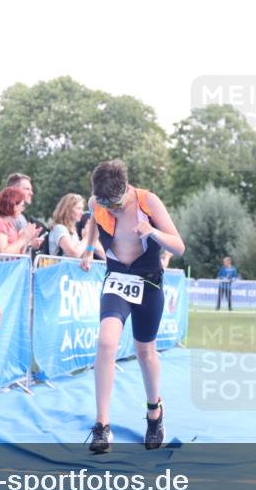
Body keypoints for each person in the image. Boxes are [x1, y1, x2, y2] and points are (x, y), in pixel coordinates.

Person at [78, 159, 184, 454]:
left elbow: (179, 246)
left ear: (125, 189)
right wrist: (88, 248)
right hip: (117, 279)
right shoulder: (96, 203)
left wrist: (152, 232)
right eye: (104, 205)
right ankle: (102, 425)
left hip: (148, 281)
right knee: (106, 341)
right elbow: (93, 223)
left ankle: (154, 412)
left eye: (113, 205)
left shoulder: (148, 201)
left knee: (145, 351)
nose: (109, 210)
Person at [0, 187, 45, 254]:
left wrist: (28, 239)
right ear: (13, 205)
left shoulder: (8, 224)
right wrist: (23, 238)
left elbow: (15, 251)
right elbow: (1, 253)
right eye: (21, 205)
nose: (22, 209)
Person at [48, 193, 87, 258]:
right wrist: (86, 238)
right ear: (68, 210)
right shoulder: (60, 228)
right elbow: (73, 254)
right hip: (60, 267)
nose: (82, 212)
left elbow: (80, 255)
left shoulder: (72, 230)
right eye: (78, 208)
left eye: (82, 209)